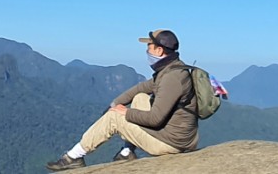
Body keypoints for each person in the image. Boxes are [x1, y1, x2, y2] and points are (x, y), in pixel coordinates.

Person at [45, 29, 199, 171]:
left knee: (114, 118)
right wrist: (115, 103)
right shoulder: (171, 69)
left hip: (172, 143)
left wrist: (124, 112)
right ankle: (127, 152)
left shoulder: (172, 78)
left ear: (159, 50)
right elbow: (141, 88)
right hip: (175, 135)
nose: (147, 51)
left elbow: (155, 119)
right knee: (140, 98)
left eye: (149, 47)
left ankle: (73, 157)